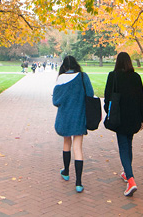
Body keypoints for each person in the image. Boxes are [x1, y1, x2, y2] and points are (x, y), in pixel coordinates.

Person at [103, 52, 143, 196]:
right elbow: (142, 99)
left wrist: (108, 112)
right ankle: (126, 173)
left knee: (123, 147)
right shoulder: (136, 77)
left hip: (119, 117)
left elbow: (107, 97)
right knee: (128, 144)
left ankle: (131, 179)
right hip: (133, 117)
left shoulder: (113, 76)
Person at [52, 55, 94, 193]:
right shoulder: (83, 76)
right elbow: (90, 94)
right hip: (79, 116)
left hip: (65, 117)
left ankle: (66, 171)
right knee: (78, 148)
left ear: (64, 66)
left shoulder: (61, 79)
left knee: (66, 144)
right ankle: (79, 182)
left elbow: (55, 101)